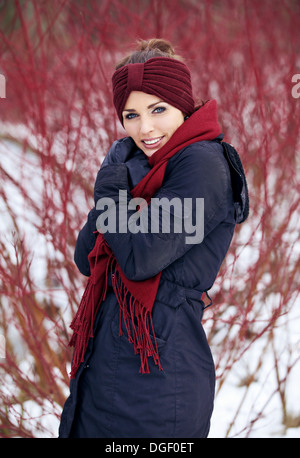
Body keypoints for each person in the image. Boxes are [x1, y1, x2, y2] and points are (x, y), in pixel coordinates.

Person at [58, 38, 249, 438]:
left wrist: (111, 193)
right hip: (104, 369)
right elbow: (84, 257)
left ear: (183, 103)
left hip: (159, 380)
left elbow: (141, 256)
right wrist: (118, 189)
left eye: (158, 110)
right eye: (131, 115)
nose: (145, 128)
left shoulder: (204, 165)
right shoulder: (134, 169)